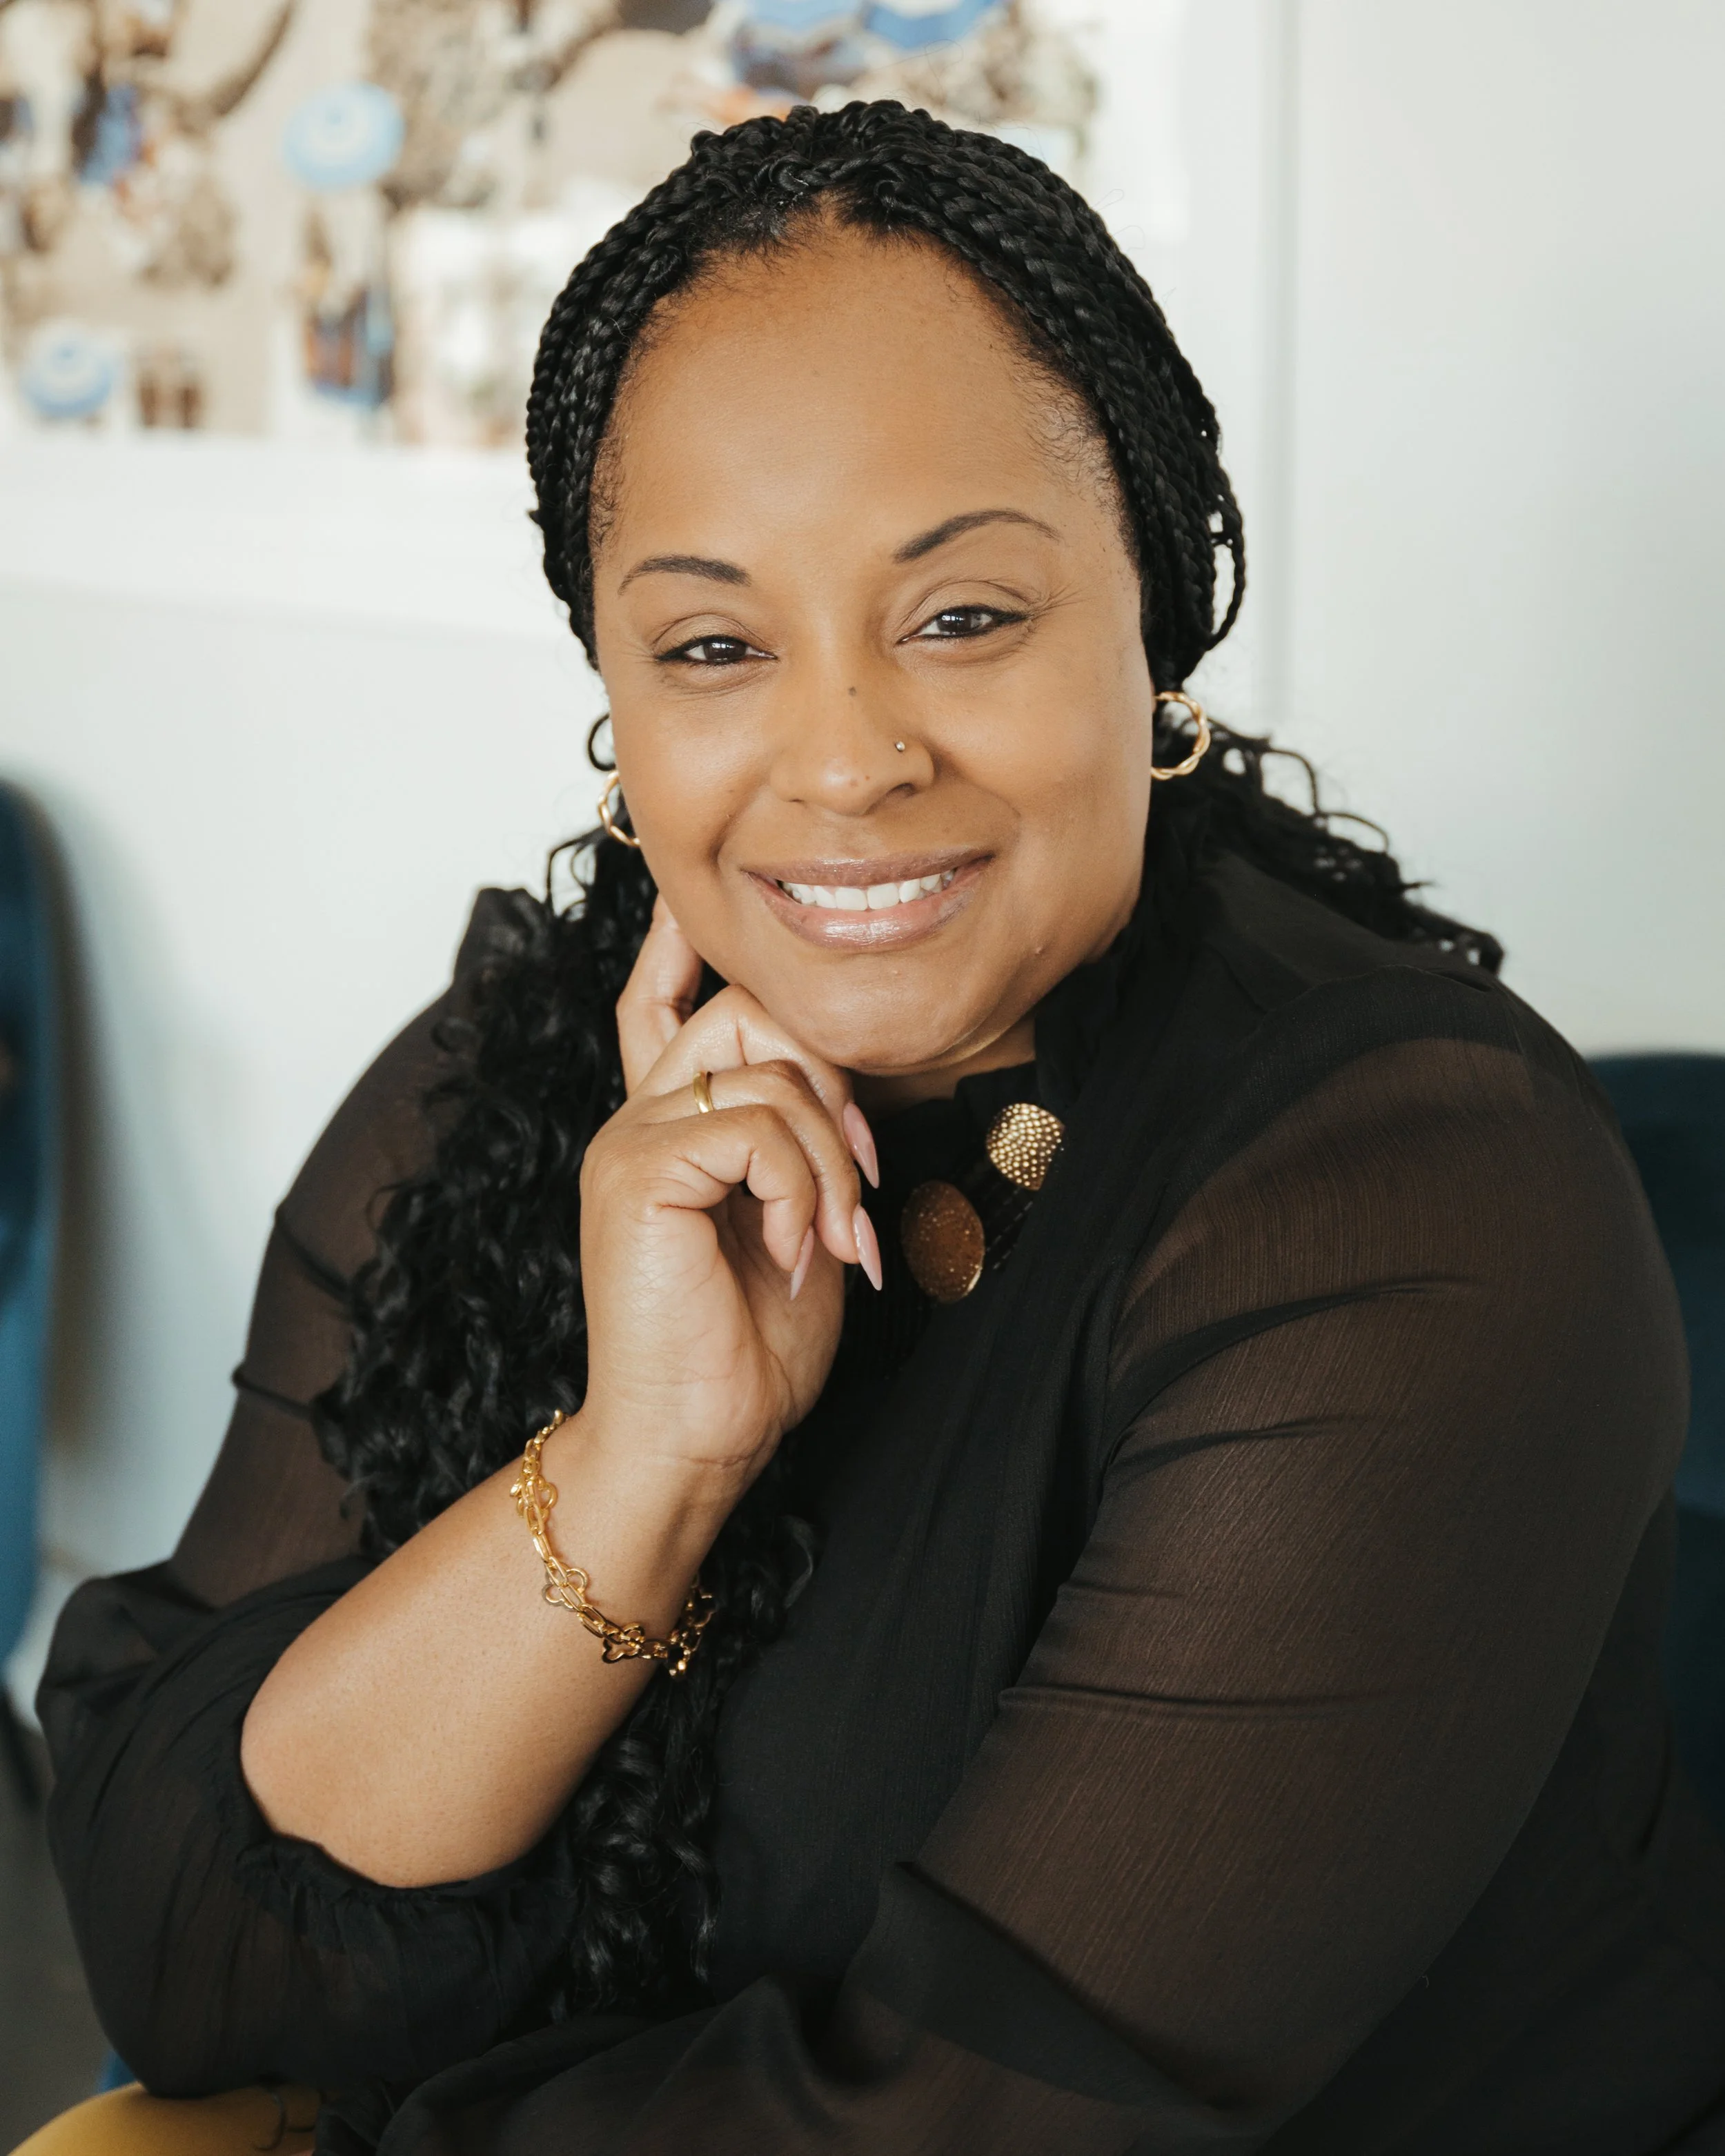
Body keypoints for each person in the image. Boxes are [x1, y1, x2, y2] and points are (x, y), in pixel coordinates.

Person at [32, 101, 1725, 2156]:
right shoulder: (523, 1071)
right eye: (716, 646)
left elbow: (953, 2127)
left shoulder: (1415, 1207)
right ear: (616, 698)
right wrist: (639, 1462)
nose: (841, 761)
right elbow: (175, 1942)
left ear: (1151, 624)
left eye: (961, 617)